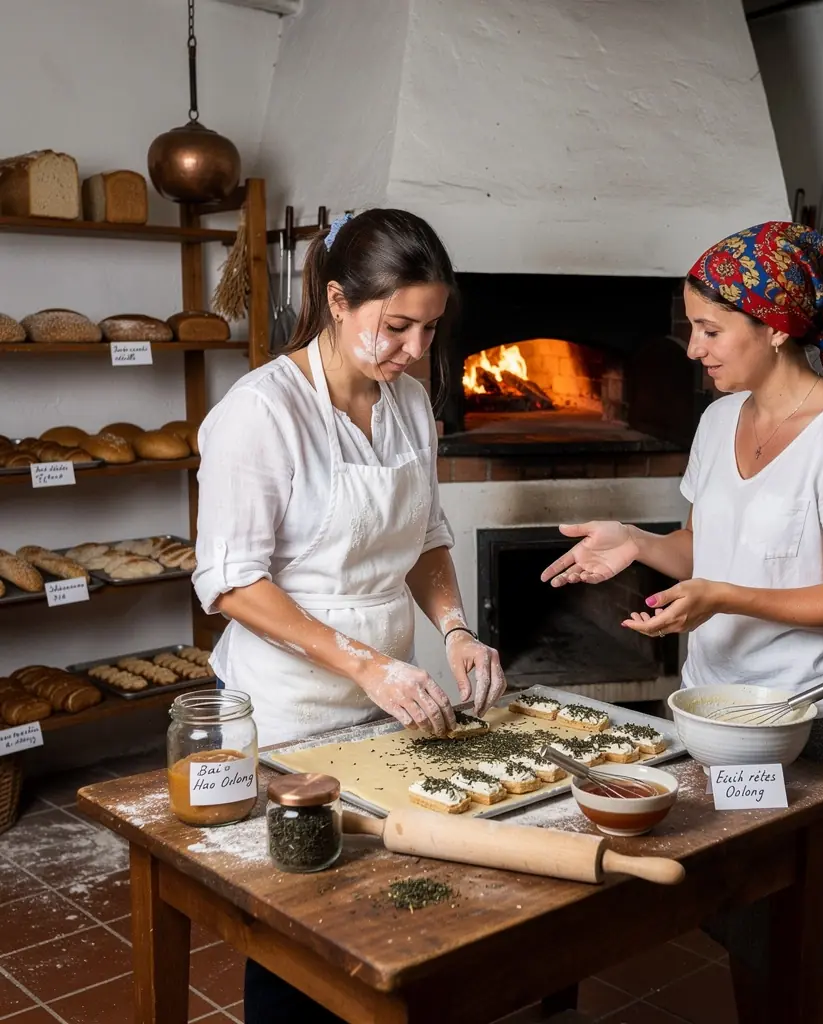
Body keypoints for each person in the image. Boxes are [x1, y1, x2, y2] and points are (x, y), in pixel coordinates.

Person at [541, 222, 823, 1024]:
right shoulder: (719, 421)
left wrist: (724, 598)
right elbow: (702, 548)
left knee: (811, 937)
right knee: (752, 924)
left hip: (812, 717)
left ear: (774, 326)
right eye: (690, 327)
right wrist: (637, 543)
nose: (693, 348)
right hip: (718, 716)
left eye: (710, 329)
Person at [193, 209, 506, 1022]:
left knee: (382, 908)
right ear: (337, 301)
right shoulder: (261, 413)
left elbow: (425, 536)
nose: (414, 349)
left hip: (385, 698)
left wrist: (455, 629)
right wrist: (364, 663)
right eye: (396, 326)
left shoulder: (409, 403)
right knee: (299, 923)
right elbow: (230, 583)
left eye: (430, 329)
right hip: (288, 710)